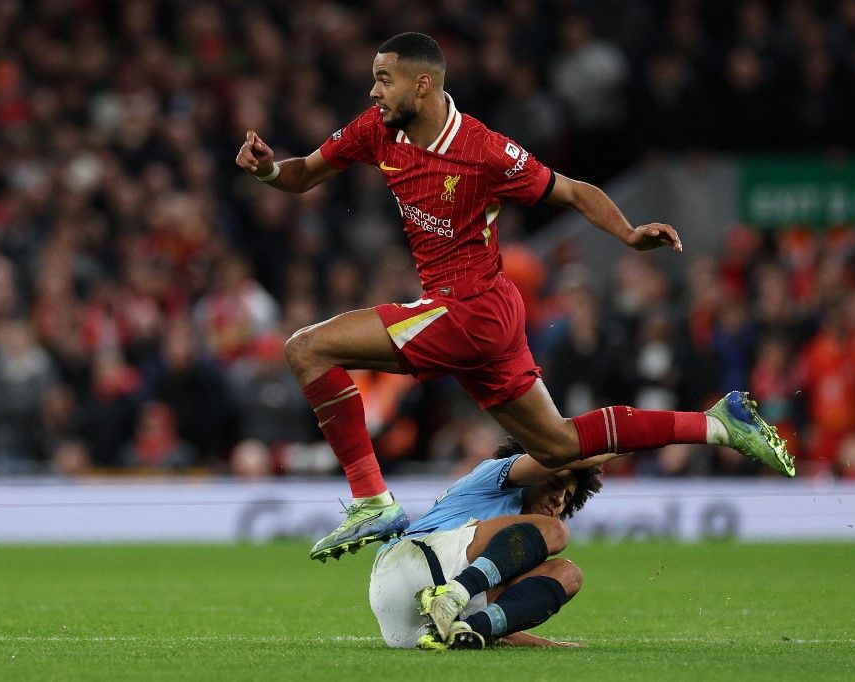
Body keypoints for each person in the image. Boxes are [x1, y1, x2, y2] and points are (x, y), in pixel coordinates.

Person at [235, 32, 794, 562]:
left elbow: (572, 190)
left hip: (469, 309)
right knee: (556, 447)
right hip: (482, 313)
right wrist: (267, 171)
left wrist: (627, 233)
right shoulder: (376, 130)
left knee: (306, 349)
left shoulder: (484, 150)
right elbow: (302, 174)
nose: (373, 91)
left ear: (423, 84)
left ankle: (370, 499)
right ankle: (720, 425)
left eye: (384, 79)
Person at [369, 439, 611, 650]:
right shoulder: (494, 478)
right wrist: (621, 442)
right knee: (555, 530)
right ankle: (451, 597)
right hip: (408, 564)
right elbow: (550, 458)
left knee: (568, 574)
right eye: (553, 483)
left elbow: (503, 610)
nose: (559, 499)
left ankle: (467, 630)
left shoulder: (518, 549)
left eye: (567, 498)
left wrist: (545, 645)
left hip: (408, 630)